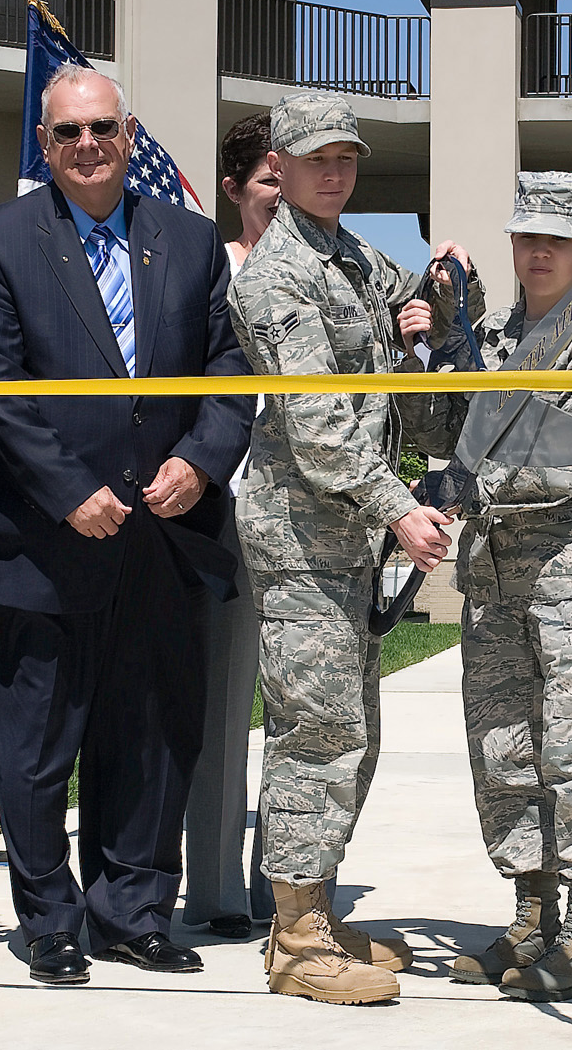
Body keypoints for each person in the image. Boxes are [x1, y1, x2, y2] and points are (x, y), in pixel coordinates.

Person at [0, 64, 252, 984]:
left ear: (131, 135)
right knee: (37, 745)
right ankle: (49, 918)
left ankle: (132, 908)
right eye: (66, 133)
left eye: (102, 129)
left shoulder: (193, 243)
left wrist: (199, 463)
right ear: (43, 145)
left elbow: (231, 369)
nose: (86, 146)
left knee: (153, 736)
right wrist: (67, 489)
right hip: (44, 544)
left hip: (166, 537)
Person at [227, 89, 481, 1005]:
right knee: (314, 731)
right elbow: (317, 421)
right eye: (316, 158)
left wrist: (438, 310)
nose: (335, 172)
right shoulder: (275, 273)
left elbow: (403, 339)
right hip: (303, 534)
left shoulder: (356, 258)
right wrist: (396, 508)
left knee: (352, 733)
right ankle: (294, 941)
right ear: (281, 168)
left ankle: (317, 911)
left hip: (348, 537)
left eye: (347, 158)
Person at [420, 172, 572, 1003]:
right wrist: (441, 343)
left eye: (558, 236)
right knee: (505, 752)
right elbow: (440, 430)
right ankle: (531, 915)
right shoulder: (489, 332)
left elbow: (561, 460)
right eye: (527, 235)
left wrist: (455, 487)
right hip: (494, 584)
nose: (540, 250)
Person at [182, 113, 282, 941]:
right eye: (269, 180)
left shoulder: (346, 275)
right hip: (233, 516)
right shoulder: (210, 270)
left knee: (311, 716)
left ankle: (289, 893)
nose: (283, 195)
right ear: (235, 189)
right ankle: (215, 891)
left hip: (322, 524)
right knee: (223, 708)